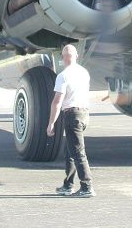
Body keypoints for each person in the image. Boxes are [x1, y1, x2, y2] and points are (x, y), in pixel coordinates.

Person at [46, 44, 95, 197]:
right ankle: (68, 185)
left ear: (63, 57)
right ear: (76, 56)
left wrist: (51, 123)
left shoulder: (63, 75)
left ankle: (87, 187)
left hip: (72, 114)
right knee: (70, 151)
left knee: (78, 152)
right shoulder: (84, 72)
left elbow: (57, 102)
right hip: (84, 113)